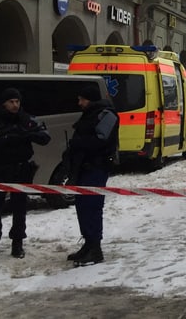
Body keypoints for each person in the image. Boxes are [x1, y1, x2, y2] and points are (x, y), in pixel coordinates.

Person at [0, 88, 50, 260]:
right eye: (11, 102)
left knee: (19, 208)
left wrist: (27, 134)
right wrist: (4, 139)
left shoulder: (27, 119)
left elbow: (45, 137)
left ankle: (17, 243)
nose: (15, 105)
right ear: (4, 103)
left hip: (20, 169)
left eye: (17, 101)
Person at [65, 84, 119, 267]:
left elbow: (100, 140)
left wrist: (78, 143)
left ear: (91, 99)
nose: (79, 103)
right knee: (82, 206)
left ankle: (95, 249)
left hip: (96, 167)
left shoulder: (106, 114)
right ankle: (88, 244)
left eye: (82, 99)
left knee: (91, 206)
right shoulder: (90, 114)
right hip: (84, 168)